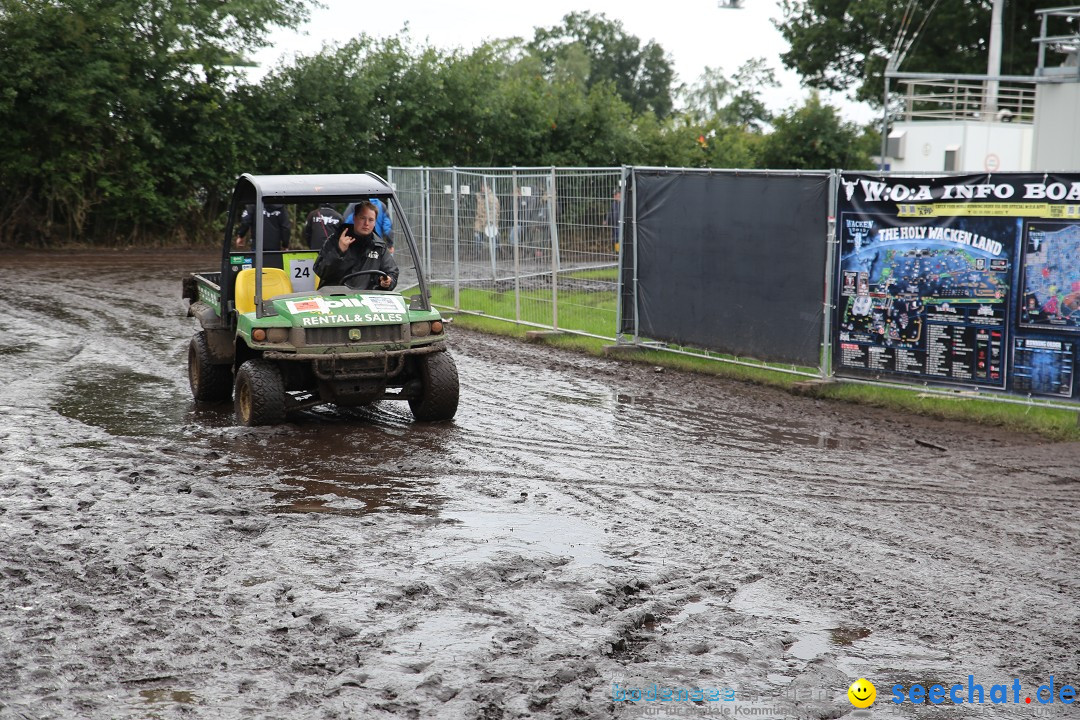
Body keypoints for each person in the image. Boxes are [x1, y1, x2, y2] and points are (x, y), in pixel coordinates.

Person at [313, 200, 398, 290]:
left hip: (366, 298)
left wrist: (387, 282)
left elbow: (392, 273)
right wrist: (339, 250)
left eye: (371, 220)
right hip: (336, 296)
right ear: (354, 218)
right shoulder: (336, 239)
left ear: (375, 222)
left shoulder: (379, 246)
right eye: (362, 218)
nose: (366, 223)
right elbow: (320, 271)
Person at [473, 185, 500, 258]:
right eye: (481, 187)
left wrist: (490, 221)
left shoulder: (492, 198)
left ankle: (496, 252)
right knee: (477, 235)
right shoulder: (479, 196)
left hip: (489, 221)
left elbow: (494, 211)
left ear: (488, 187)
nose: (482, 188)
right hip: (479, 220)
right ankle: (477, 252)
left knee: (493, 235)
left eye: (484, 187)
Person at [604, 189, 622, 253]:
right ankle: (617, 251)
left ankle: (620, 251)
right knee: (615, 237)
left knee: (620, 237)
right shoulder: (613, 204)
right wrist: (606, 220)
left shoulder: (624, 203)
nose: (614, 196)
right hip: (614, 223)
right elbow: (609, 213)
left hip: (621, 223)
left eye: (616, 195)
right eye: (614, 195)